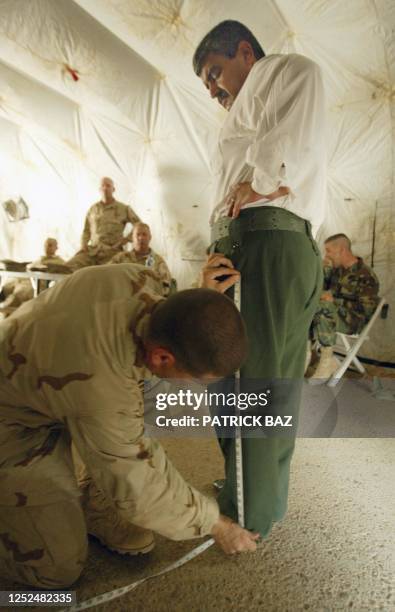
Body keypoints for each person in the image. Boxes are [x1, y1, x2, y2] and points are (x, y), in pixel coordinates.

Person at [0, 260, 259, 589]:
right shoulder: (103, 389)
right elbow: (138, 486)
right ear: (162, 357)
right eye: (198, 379)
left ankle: (96, 501)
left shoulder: (139, 277)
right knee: (56, 570)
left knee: (166, 393)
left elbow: (179, 320)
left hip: (51, 386)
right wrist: (216, 524)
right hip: (15, 423)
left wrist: (201, 297)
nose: (198, 387)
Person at [193, 21, 326, 537]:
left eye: (214, 73)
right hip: (262, 241)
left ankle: (247, 513)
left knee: (252, 380)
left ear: (245, 52)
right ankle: (257, 496)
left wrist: (261, 179)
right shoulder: (250, 106)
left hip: (265, 242)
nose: (212, 90)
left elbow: (284, 148)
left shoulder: (283, 71)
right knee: (256, 380)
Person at [308, 233, 380, 383]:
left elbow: (366, 310)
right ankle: (308, 354)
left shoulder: (366, 275)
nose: (326, 255)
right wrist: (324, 270)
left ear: (341, 250)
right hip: (331, 313)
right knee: (311, 305)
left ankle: (327, 360)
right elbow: (319, 291)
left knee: (322, 308)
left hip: (353, 320)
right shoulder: (337, 271)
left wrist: (334, 301)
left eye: (329, 251)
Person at [66, 177, 141, 270]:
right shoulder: (93, 209)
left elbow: (139, 226)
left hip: (112, 252)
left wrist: (125, 240)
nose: (105, 188)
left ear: (113, 189)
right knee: (69, 266)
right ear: (99, 189)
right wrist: (83, 245)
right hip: (93, 252)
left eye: (108, 186)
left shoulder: (124, 209)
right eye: (103, 186)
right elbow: (86, 231)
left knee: (108, 273)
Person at [110, 222, 172, 294]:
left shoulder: (158, 261)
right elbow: (107, 275)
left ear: (150, 238)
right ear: (132, 238)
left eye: (144, 234)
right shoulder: (120, 258)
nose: (141, 238)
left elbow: (166, 287)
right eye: (137, 234)